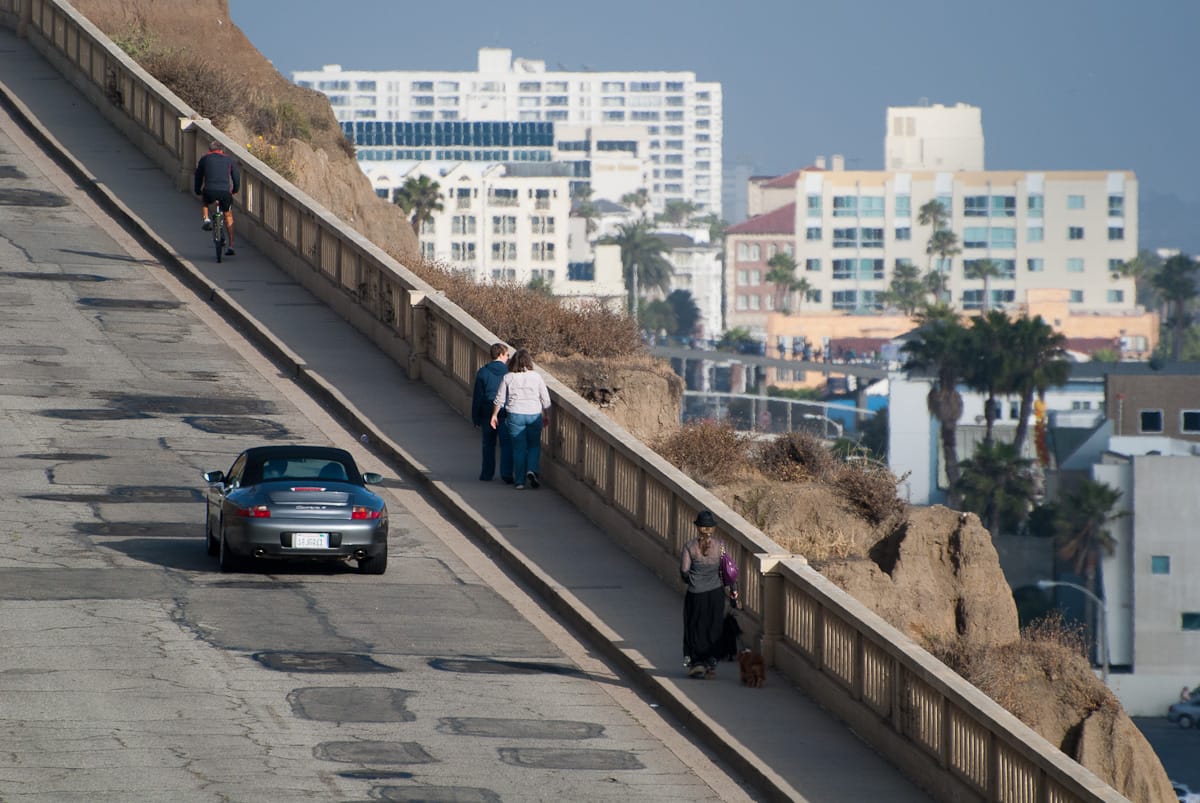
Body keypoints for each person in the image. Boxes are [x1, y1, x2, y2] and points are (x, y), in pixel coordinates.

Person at [680, 510, 733, 679]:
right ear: (712, 529)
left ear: (698, 528)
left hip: (696, 594)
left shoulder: (690, 547)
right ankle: (711, 660)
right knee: (713, 626)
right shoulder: (720, 547)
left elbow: (684, 571)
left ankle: (696, 662)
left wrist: (692, 579)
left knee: (695, 626)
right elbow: (728, 570)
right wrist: (734, 591)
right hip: (715, 593)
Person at [490, 348, 551, 490]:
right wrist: (547, 415)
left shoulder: (508, 377)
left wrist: (494, 415)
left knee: (519, 448)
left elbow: (499, 399)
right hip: (534, 414)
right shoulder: (536, 377)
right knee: (534, 445)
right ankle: (532, 469)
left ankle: (519, 481)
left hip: (515, 414)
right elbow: (545, 399)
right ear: (529, 361)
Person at [472, 342, 513, 483]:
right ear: (501, 354)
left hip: (486, 411)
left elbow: (477, 397)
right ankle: (506, 474)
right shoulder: (509, 373)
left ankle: (487, 474)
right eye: (507, 355)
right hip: (504, 412)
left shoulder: (483, 372)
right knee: (506, 444)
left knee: (488, 444)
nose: (508, 358)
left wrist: (475, 417)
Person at [194, 139, 241, 256]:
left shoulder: (204, 159)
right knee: (228, 216)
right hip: (225, 192)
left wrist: (197, 190)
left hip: (209, 191)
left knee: (205, 201)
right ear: (221, 150)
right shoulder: (229, 160)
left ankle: (206, 219)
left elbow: (198, 176)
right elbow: (236, 177)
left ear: (210, 149)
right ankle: (231, 246)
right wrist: (235, 190)